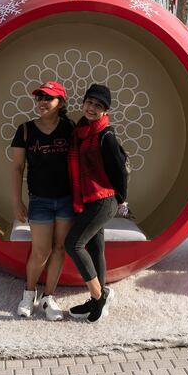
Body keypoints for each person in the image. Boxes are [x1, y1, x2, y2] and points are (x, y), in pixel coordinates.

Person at [10, 81, 75, 320]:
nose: (42, 102)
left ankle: (48, 297)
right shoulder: (25, 130)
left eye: (48, 98)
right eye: (39, 98)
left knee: (59, 248)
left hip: (67, 200)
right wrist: (17, 202)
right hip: (40, 200)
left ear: (61, 102)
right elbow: (17, 168)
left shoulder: (70, 129)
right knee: (40, 251)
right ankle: (29, 294)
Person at [65, 84, 128, 323]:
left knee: (73, 244)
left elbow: (120, 171)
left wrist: (119, 199)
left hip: (103, 199)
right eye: (90, 103)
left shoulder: (105, 135)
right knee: (95, 248)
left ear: (104, 111)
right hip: (89, 199)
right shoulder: (80, 131)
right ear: (83, 104)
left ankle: (99, 296)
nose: (92, 108)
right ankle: (98, 298)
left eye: (98, 106)